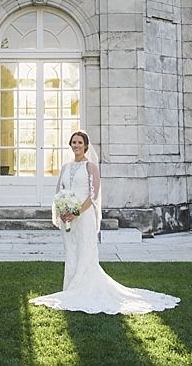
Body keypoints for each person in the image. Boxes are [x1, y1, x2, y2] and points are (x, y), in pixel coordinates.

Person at [29, 130, 180, 315]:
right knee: (71, 252)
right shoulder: (65, 167)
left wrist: (75, 213)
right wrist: (63, 211)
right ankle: (70, 288)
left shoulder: (90, 167)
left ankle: (83, 288)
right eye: (74, 142)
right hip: (68, 217)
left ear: (85, 146)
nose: (76, 145)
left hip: (84, 217)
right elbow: (59, 191)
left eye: (80, 142)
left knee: (85, 251)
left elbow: (93, 196)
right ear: (71, 145)